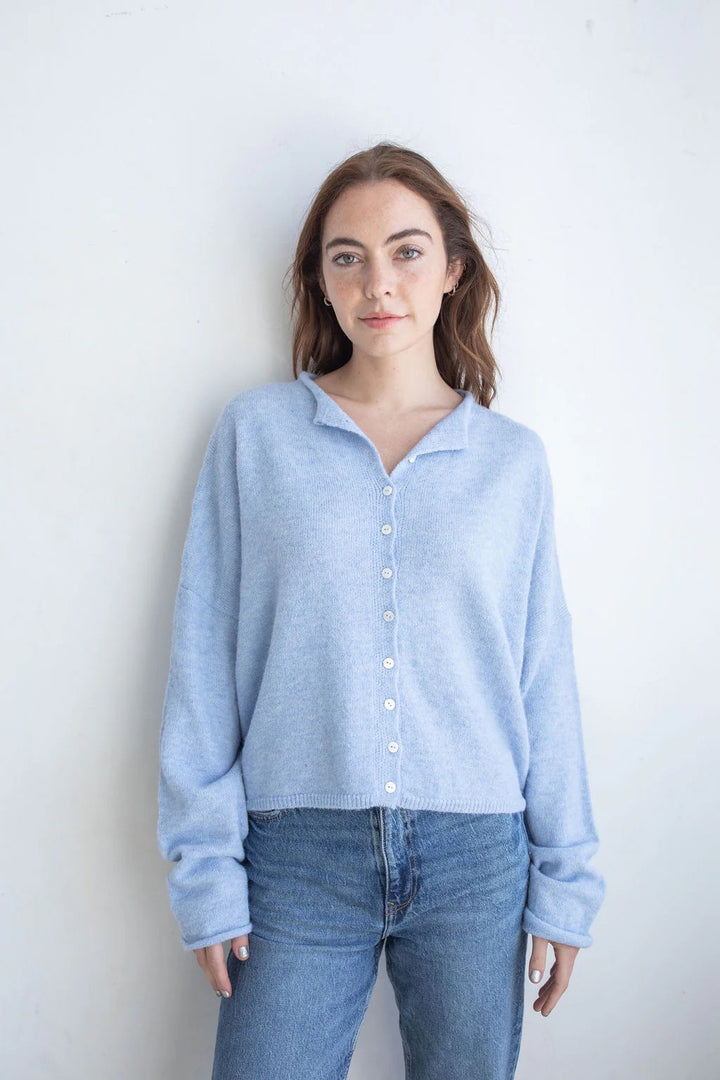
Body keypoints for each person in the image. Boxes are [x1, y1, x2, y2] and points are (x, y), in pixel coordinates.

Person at [157, 141, 606, 1080]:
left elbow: (544, 677)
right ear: (320, 281)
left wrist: (565, 881)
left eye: (406, 251)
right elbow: (204, 660)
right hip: (294, 857)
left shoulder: (511, 463)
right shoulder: (257, 436)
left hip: (478, 857)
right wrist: (206, 871)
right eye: (347, 257)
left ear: (452, 270)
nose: (378, 284)